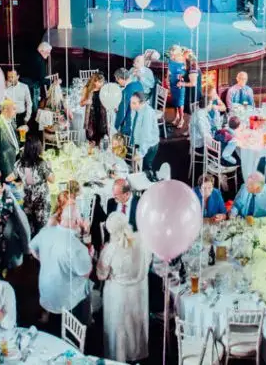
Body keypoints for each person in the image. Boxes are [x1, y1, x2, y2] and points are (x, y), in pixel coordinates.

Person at [96, 212, 149, 363]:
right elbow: (147, 263)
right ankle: (136, 353)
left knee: (118, 327)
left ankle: (118, 358)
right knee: (134, 323)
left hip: (117, 293)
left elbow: (101, 274)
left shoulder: (110, 249)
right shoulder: (141, 240)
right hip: (137, 291)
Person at [29, 206, 94, 328]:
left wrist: (43, 260)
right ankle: (86, 323)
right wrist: (90, 256)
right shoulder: (76, 247)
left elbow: (32, 247)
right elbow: (86, 273)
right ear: (75, 222)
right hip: (65, 301)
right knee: (87, 285)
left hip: (45, 291)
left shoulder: (46, 231)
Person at [8, 135, 54, 235]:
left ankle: (30, 248)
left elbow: (10, 178)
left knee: (30, 228)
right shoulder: (42, 163)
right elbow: (52, 180)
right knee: (42, 228)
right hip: (41, 202)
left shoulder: (20, 163)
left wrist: (17, 182)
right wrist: (50, 167)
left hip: (28, 200)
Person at [127, 92, 161, 178]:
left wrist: (141, 153)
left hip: (150, 146)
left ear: (142, 103)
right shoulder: (136, 109)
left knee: (146, 169)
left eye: (134, 103)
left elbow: (146, 136)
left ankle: (147, 187)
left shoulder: (148, 113)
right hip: (140, 141)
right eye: (131, 102)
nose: (131, 105)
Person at [0, 99, 21, 180]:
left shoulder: (11, 121)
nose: (16, 111)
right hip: (6, 165)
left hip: (16, 160)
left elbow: (12, 139)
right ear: (5, 110)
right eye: (14, 109)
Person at [114, 68, 144, 134]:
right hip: (142, 122)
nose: (117, 81)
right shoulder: (139, 84)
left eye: (117, 79)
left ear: (120, 79)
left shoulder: (126, 91)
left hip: (130, 127)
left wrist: (115, 127)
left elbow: (122, 113)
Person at [81, 72, 108, 144]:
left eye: (102, 82)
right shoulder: (87, 89)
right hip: (91, 117)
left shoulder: (103, 89)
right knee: (91, 139)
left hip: (102, 117)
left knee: (101, 139)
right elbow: (81, 103)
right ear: (94, 81)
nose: (101, 84)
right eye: (100, 82)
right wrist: (86, 102)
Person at [167, 45, 187, 128]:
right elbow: (168, 70)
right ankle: (176, 116)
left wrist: (182, 76)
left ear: (178, 53)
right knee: (174, 101)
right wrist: (167, 79)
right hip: (172, 82)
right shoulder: (171, 59)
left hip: (180, 83)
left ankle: (182, 119)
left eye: (173, 55)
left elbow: (186, 72)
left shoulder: (183, 60)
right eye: (171, 54)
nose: (172, 56)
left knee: (180, 102)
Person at [181, 48, 201, 114]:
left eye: (183, 58)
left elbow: (193, 83)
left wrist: (182, 83)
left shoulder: (193, 67)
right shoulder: (190, 65)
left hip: (193, 94)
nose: (182, 60)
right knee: (189, 112)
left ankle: (190, 123)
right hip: (189, 92)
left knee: (192, 112)